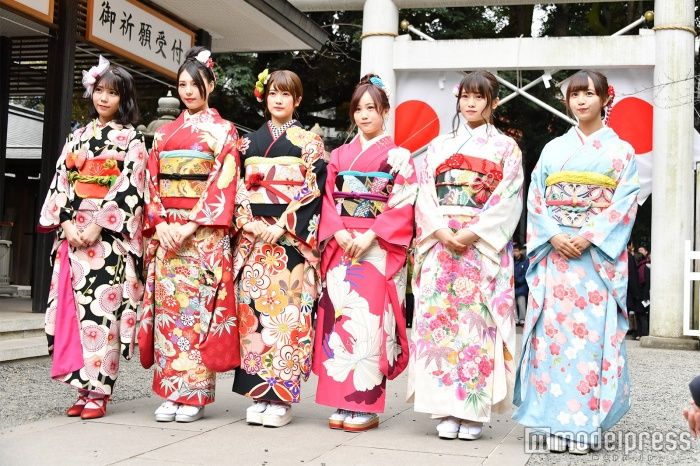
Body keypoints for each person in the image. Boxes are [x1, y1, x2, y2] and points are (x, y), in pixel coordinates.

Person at [512, 70, 640, 455]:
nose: (581, 101)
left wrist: (589, 235)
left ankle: (582, 425)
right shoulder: (553, 149)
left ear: (605, 98)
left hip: (594, 261)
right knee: (552, 339)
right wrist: (553, 235)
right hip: (556, 255)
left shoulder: (622, 152)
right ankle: (553, 419)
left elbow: (624, 202)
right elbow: (537, 197)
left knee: (589, 342)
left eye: (589, 94)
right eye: (574, 95)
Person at [409, 70, 524, 441]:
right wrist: (441, 230)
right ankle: (444, 407)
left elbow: (509, 198)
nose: (471, 104)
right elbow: (425, 194)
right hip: (442, 245)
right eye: (465, 97)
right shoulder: (439, 146)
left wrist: (473, 232)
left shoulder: (506, 147)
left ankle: (472, 411)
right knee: (440, 326)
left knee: (477, 327)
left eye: (479, 97)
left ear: (493, 102)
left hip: (480, 247)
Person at [138, 47, 246, 423]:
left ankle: (195, 394)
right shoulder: (163, 134)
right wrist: (161, 224)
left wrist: (189, 224)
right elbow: (151, 183)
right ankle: (171, 391)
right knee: (170, 313)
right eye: (182, 84)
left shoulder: (224, 131)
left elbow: (223, 183)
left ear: (210, 85)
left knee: (198, 313)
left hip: (201, 236)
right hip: (169, 235)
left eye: (195, 84)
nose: (188, 91)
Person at [38, 56, 146, 419]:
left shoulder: (132, 139)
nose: (103, 98)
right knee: (74, 314)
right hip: (74, 237)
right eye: (99, 90)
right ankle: (81, 387)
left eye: (112, 93)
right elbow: (61, 182)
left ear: (123, 98)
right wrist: (67, 224)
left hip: (107, 241)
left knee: (102, 313)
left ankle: (99, 391)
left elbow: (131, 187)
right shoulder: (77, 136)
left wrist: (100, 224)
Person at [313, 73, 417, 432]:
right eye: (358, 109)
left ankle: (364, 404)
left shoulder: (399, 157)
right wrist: (340, 232)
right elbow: (329, 198)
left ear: (385, 110)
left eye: (371, 108)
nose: (364, 115)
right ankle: (339, 400)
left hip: (376, 248)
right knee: (339, 317)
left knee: (371, 321)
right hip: (342, 245)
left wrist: (372, 234)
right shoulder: (340, 154)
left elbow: (403, 204)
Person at [231, 69, 327, 428]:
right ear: (264, 97)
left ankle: (282, 397)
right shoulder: (246, 144)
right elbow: (235, 186)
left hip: (289, 244)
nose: (279, 99)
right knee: (254, 316)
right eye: (273, 93)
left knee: (288, 320)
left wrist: (284, 225)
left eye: (286, 94)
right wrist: (248, 221)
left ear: (297, 100)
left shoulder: (310, 143)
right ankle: (259, 392)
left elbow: (314, 189)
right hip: (255, 241)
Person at [636, 247, 650, 339]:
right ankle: (639, 333)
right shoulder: (641, 267)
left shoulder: (644, 268)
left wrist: (645, 297)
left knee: (642, 315)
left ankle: (643, 334)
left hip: (643, 296)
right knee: (639, 314)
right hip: (641, 295)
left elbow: (646, 283)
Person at [514, 244, 529, 326]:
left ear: (520, 251)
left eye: (516, 251)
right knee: (513, 304)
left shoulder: (525, 261)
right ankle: (515, 319)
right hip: (513, 285)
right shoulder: (511, 261)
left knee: (521, 302)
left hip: (522, 286)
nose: (514, 253)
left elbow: (526, 274)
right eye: (513, 251)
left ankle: (522, 319)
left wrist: (518, 281)